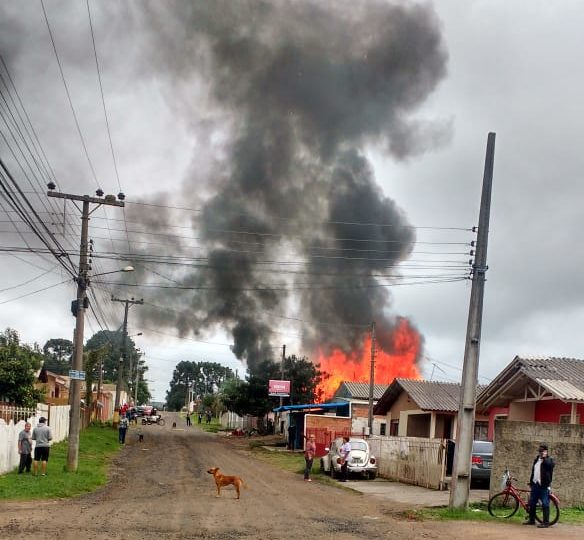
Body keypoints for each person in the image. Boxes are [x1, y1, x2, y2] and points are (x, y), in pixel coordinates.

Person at [524, 442, 555, 528]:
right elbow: (533, 472)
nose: (540, 453)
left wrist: (545, 457)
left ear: (546, 451)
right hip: (535, 485)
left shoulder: (549, 460)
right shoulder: (536, 459)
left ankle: (546, 522)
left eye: (542, 451)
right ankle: (531, 520)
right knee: (532, 502)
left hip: (544, 485)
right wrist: (531, 482)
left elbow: (550, 466)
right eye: (539, 451)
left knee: (545, 503)